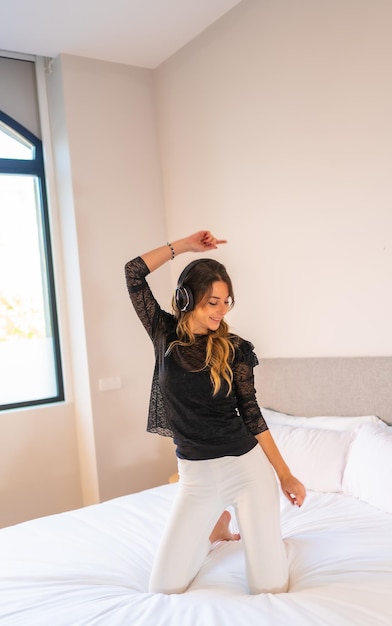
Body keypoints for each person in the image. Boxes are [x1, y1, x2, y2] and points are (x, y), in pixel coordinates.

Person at [125, 230, 306, 595]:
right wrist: (184, 246)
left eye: (226, 302)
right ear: (187, 299)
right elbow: (133, 272)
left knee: (269, 587)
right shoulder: (163, 332)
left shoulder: (235, 348)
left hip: (246, 470)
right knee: (163, 587)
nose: (222, 311)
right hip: (195, 478)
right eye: (212, 302)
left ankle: (251, 534)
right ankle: (218, 528)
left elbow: (251, 414)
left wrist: (285, 475)